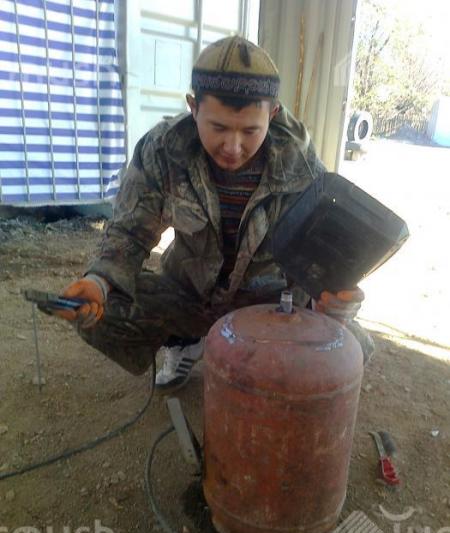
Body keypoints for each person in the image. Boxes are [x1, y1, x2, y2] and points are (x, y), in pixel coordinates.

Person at [56, 36, 373, 390]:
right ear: (193, 107)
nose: (233, 147)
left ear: (272, 114)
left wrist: (329, 301)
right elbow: (129, 232)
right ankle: (184, 341)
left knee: (350, 346)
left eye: (250, 130)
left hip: (266, 307)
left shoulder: (301, 165)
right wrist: (99, 282)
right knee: (101, 309)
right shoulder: (163, 149)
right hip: (188, 295)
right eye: (218, 128)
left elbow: (322, 260)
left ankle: (259, 360)